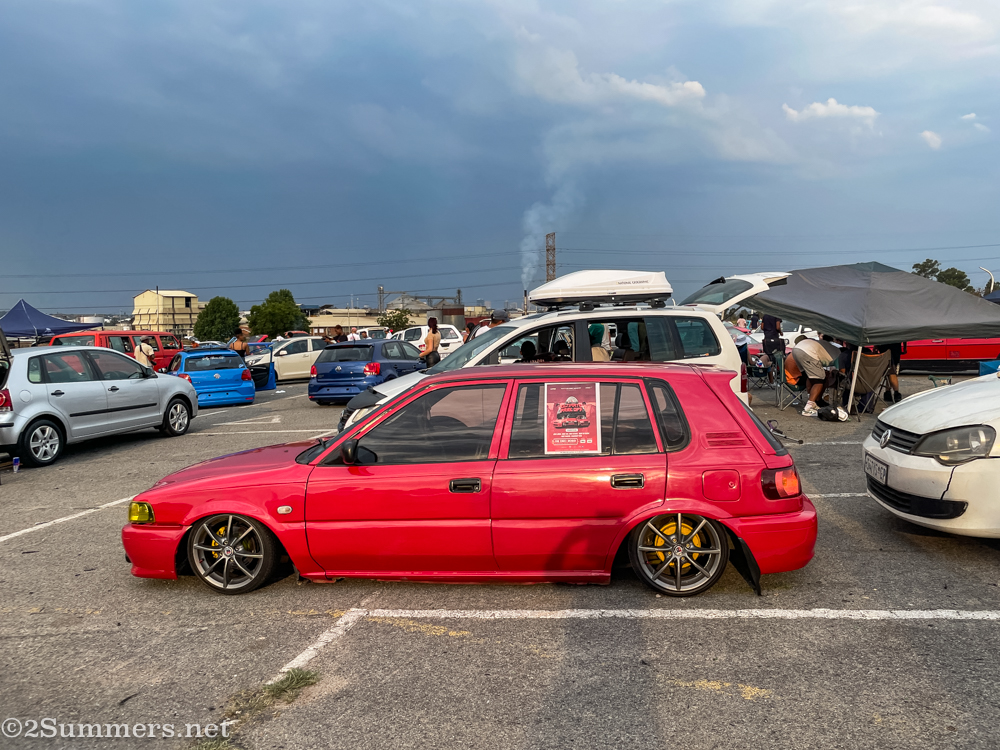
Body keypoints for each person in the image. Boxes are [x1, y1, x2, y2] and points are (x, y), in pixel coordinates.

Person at [784, 336, 841, 417]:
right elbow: (838, 369)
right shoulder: (839, 353)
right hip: (807, 352)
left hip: (798, 349)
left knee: (812, 376)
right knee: (820, 379)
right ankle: (808, 407)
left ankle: (814, 401)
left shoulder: (830, 347)